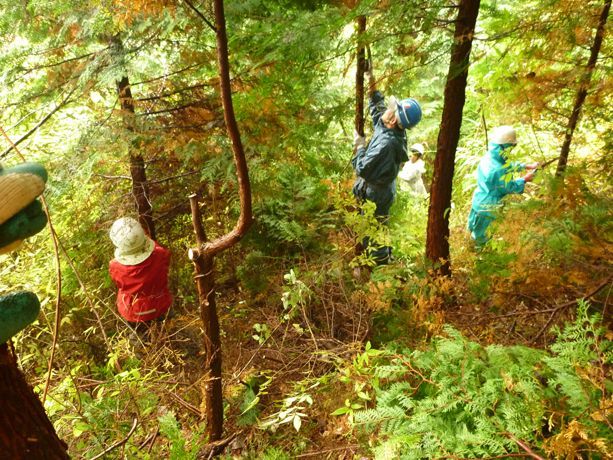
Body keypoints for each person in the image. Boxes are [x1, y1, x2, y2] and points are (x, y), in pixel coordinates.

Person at [352, 67, 422, 265]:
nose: (387, 110)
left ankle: (380, 271)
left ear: (393, 120)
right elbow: (377, 109)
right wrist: (371, 80)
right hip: (383, 190)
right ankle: (384, 259)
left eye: (392, 110)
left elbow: (362, 168)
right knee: (380, 227)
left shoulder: (387, 144)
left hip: (377, 193)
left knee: (373, 231)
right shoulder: (391, 128)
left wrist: (359, 146)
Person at [467, 126, 538, 247]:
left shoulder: (490, 157)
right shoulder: (497, 169)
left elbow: (505, 165)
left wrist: (527, 166)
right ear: (504, 146)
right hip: (488, 206)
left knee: (475, 229)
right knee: (482, 238)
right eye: (511, 146)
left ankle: (473, 249)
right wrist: (525, 179)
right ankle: (480, 260)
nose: (512, 150)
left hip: (479, 199)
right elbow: (508, 187)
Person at [108, 217, 172, 331]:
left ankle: (143, 346)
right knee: (167, 330)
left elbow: (119, 284)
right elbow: (164, 257)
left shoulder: (114, 266)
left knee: (142, 339)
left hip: (133, 312)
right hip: (160, 305)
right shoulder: (160, 254)